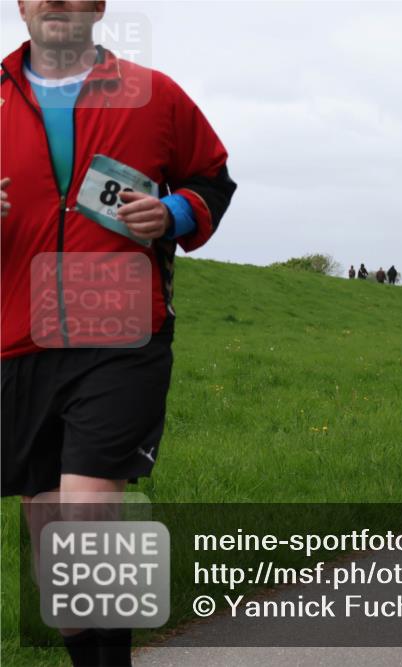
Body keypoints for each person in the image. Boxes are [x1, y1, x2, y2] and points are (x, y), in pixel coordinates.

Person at [2, 2, 236, 665]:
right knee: (60, 569)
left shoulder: (154, 94)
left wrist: (172, 212)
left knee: (87, 519)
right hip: (17, 343)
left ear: (99, 5)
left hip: (120, 335)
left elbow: (212, 179)